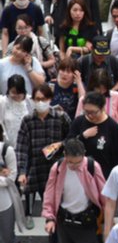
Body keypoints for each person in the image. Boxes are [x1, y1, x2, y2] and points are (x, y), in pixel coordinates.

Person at [16, 84, 71, 228]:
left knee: (58, 200)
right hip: (36, 166)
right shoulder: (28, 120)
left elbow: (71, 138)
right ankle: (30, 215)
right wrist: (21, 171)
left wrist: (60, 144)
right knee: (33, 192)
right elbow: (21, 147)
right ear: (33, 100)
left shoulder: (61, 117)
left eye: (44, 99)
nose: (40, 102)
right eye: (37, 99)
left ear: (50, 99)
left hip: (57, 167)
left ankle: (56, 223)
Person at [41, 138, 106, 243]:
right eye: (70, 162)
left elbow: (104, 194)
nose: (74, 166)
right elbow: (49, 194)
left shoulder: (92, 166)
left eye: (78, 162)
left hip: (87, 219)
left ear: (84, 154)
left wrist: (107, 218)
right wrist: (50, 218)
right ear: (65, 155)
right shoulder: (57, 168)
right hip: (64, 220)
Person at [69, 91, 118, 177]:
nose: (90, 115)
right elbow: (69, 144)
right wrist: (83, 136)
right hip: (79, 173)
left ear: (102, 108)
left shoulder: (113, 127)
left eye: (93, 112)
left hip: (103, 174)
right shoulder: (79, 122)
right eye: (86, 112)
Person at [0, 75, 32, 147]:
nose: (16, 95)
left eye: (19, 92)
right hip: (9, 145)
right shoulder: (3, 102)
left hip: (27, 144)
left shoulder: (29, 101)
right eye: (13, 92)